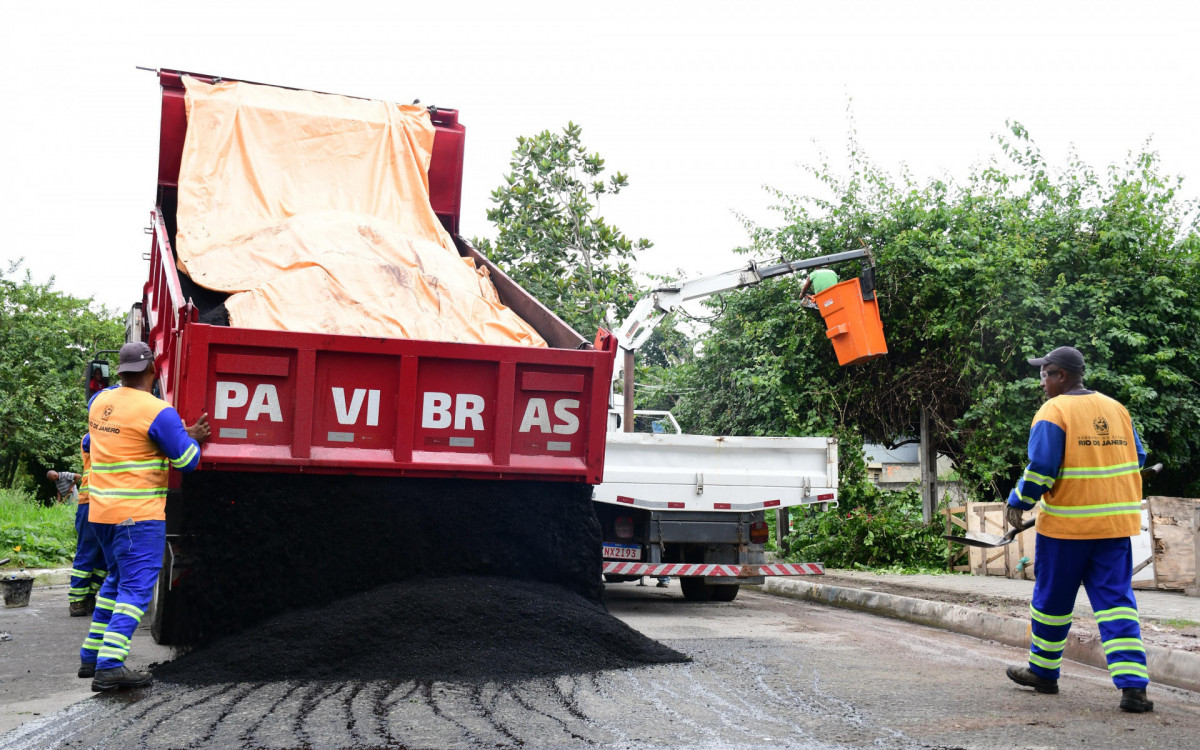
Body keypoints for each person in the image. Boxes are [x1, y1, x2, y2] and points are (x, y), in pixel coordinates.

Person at [1003, 345, 1153, 713]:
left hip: (1066, 530)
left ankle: (1043, 673)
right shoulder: (1116, 409)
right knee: (1117, 604)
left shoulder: (1054, 411)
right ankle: (1133, 688)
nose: (1042, 383)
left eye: (1045, 375)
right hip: (1114, 528)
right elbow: (1138, 458)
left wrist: (1018, 501)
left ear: (1062, 375)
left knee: (1052, 603)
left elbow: (1042, 468)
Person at [79, 342, 210, 691]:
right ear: (153, 369)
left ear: (121, 371)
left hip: (101, 514)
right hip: (137, 518)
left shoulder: (99, 401)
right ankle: (110, 665)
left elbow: (101, 442)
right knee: (136, 588)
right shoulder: (159, 412)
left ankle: (91, 656)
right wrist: (192, 439)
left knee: (115, 581)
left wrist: (175, 434)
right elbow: (187, 461)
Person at [66, 438, 107, 617]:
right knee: (88, 552)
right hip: (90, 502)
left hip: (111, 503)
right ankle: (77, 600)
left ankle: (88, 596)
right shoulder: (91, 436)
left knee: (104, 557)